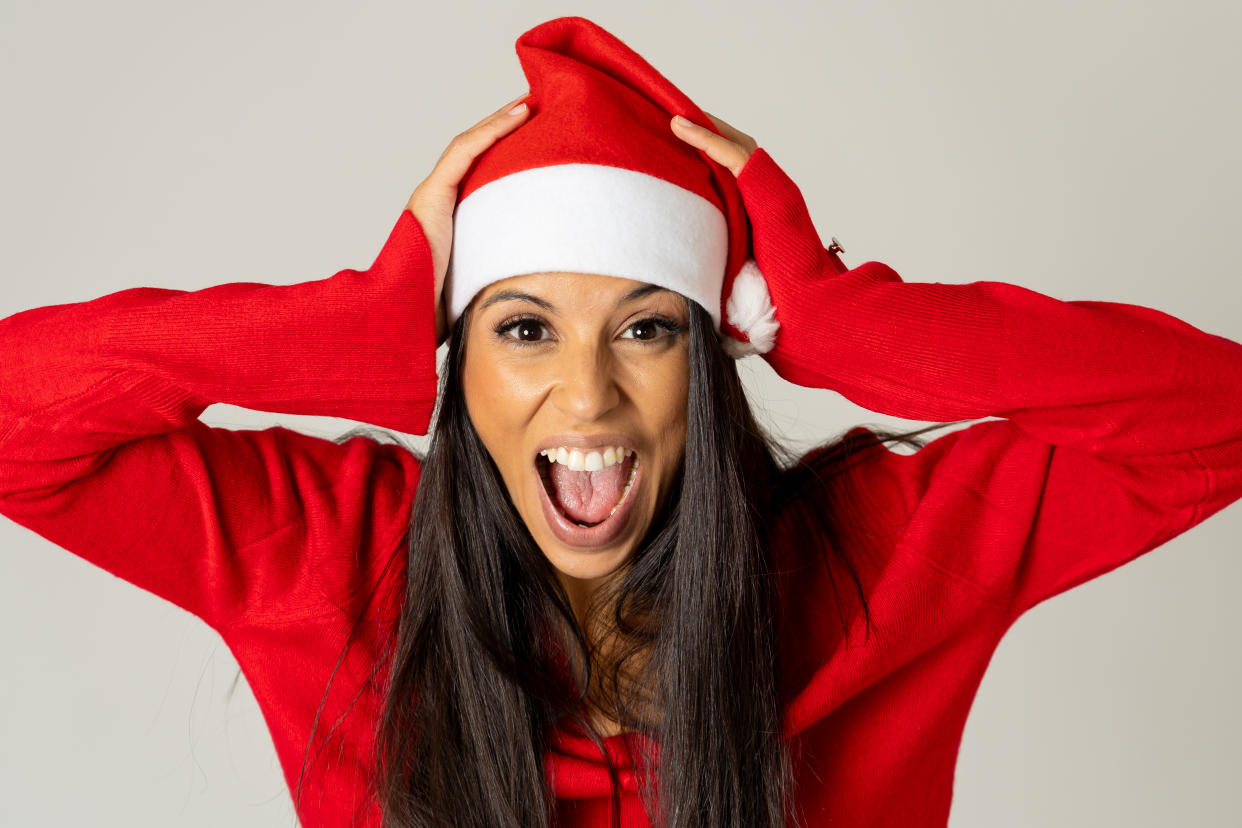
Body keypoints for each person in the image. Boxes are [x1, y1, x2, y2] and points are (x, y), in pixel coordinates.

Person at [1, 14, 1239, 828]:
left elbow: (1215, 419)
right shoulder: (328, 560)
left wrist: (846, 320)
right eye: (523, 328)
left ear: (712, 351)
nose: (587, 395)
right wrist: (346, 332)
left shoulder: (878, 561)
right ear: (457, 353)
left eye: (647, 328)